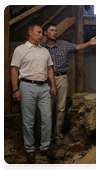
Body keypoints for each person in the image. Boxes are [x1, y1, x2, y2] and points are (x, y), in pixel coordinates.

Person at [41, 23, 96, 146]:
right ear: (45, 33)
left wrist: (88, 43)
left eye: (55, 30)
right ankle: (46, 137)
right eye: (51, 30)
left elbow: (77, 47)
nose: (54, 32)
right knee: (46, 110)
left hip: (62, 78)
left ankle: (58, 135)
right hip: (45, 80)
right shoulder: (41, 48)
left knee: (61, 108)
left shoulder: (63, 44)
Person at [11, 25, 57, 164]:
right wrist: (15, 89)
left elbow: (49, 68)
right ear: (30, 32)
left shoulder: (44, 51)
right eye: (38, 33)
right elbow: (14, 70)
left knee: (47, 118)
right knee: (28, 120)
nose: (40, 35)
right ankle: (30, 149)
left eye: (41, 33)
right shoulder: (20, 49)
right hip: (27, 86)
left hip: (44, 87)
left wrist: (53, 85)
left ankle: (45, 147)